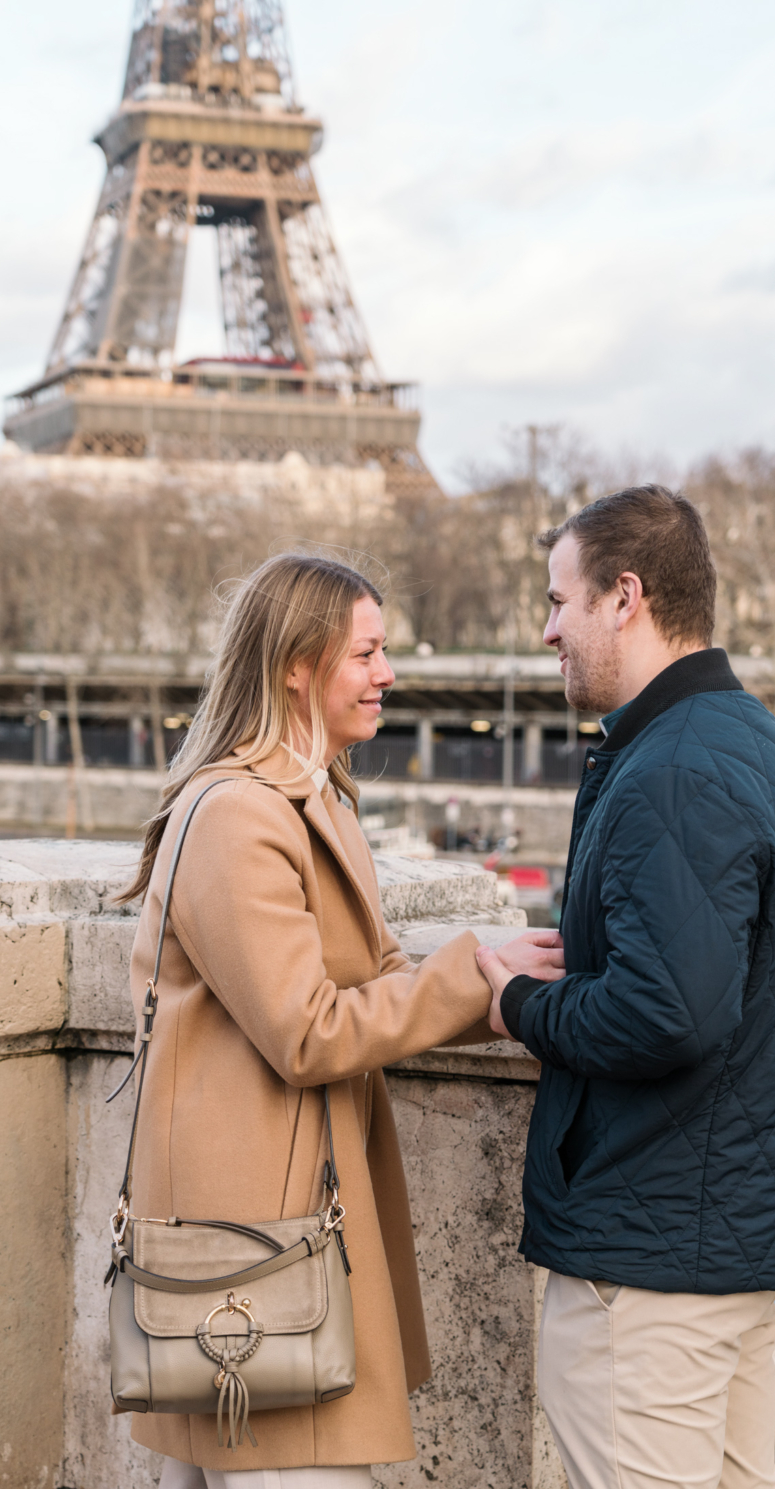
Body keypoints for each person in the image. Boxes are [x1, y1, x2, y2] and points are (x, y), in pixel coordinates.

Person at [118, 553, 563, 1489]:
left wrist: (497, 985)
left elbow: (384, 978)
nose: (388, 672)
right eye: (366, 652)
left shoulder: (313, 797)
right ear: (295, 664)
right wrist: (471, 978)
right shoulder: (245, 814)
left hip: (261, 1246)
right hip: (256, 1262)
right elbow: (309, 1030)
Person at [475, 486, 775, 1489]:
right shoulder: (753, 742)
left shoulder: (669, 769)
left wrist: (514, 1003)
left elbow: (665, 1011)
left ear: (622, 596)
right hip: (727, 1243)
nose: (547, 630)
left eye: (558, 600)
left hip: (647, 1262)